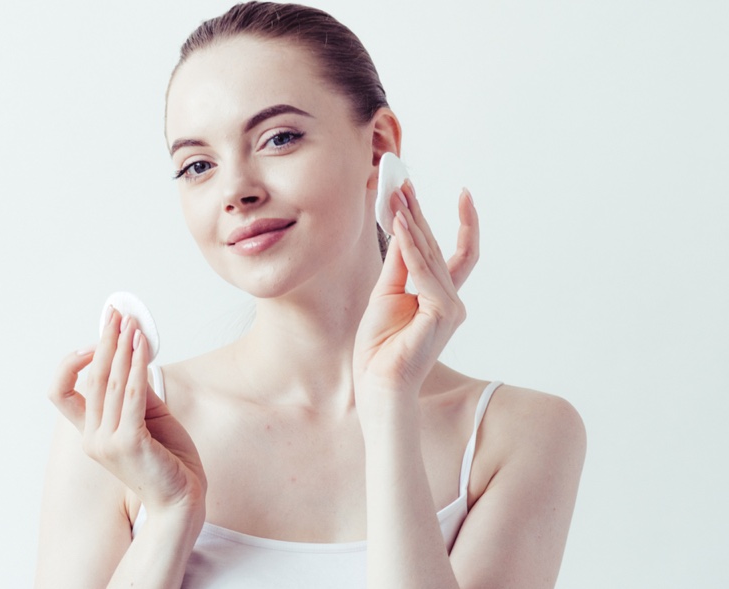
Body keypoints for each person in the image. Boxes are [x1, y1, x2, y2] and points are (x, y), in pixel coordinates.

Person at [36, 2, 586, 587]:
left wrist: (389, 403)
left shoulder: (518, 434)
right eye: (197, 166)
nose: (235, 190)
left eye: (278, 138)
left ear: (378, 145)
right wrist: (170, 516)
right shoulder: (119, 432)